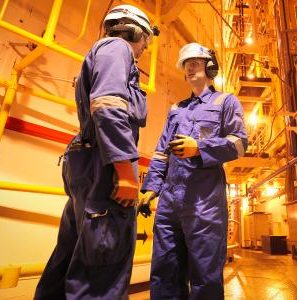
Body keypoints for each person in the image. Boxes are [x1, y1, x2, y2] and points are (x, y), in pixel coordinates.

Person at [34, 5, 158, 299]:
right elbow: (108, 106)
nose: (144, 50)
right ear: (134, 31)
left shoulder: (102, 52)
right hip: (105, 169)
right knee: (102, 271)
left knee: (68, 259)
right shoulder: (118, 49)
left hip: (87, 164)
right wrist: (126, 172)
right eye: (145, 42)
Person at [137, 42, 248, 299]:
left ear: (210, 67)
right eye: (186, 65)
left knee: (204, 275)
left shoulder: (225, 102)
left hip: (204, 204)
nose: (189, 68)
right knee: (165, 271)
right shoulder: (177, 109)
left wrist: (199, 147)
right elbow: (161, 151)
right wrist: (152, 187)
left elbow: (239, 144)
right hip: (169, 204)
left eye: (195, 62)